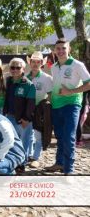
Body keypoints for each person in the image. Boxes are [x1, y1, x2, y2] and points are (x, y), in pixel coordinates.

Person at [45, 38, 90, 175]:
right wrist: (50, 98)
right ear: (54, 51)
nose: (61, 51)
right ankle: (59, 163)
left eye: (63, 48)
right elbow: (55, 86)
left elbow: (89, 83)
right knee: (59, 136)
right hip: (56, 105)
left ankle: (69, 170)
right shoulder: (53, 67)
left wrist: (71, 91)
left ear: (69, 49)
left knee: (69, 137)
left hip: (72, 104)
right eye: (58, 48)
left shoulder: (77, 65)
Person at [3, 58, 36, 170]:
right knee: (13, 141)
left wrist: (26, 118)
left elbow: (31, 104)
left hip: (23, 119)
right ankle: (15, 160)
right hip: (10, 116)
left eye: (18, 67)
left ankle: (22, 163)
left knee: (24, 141)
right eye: (12, 67)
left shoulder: (28, 84)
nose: (15, 70)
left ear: (23, 69)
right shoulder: (8, 81)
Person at [26, 52, 53, 168]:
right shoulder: (25, 77)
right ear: (30, 63)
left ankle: (36, 157)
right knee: (27, 134)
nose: (35, 64)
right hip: (26, 109)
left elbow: (51, 95)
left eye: (38, 62)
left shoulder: (46, 78)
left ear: (42, 63)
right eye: (33, 61)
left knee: (37, 134)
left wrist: (48, 110)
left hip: (39, 110)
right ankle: (28, 154)